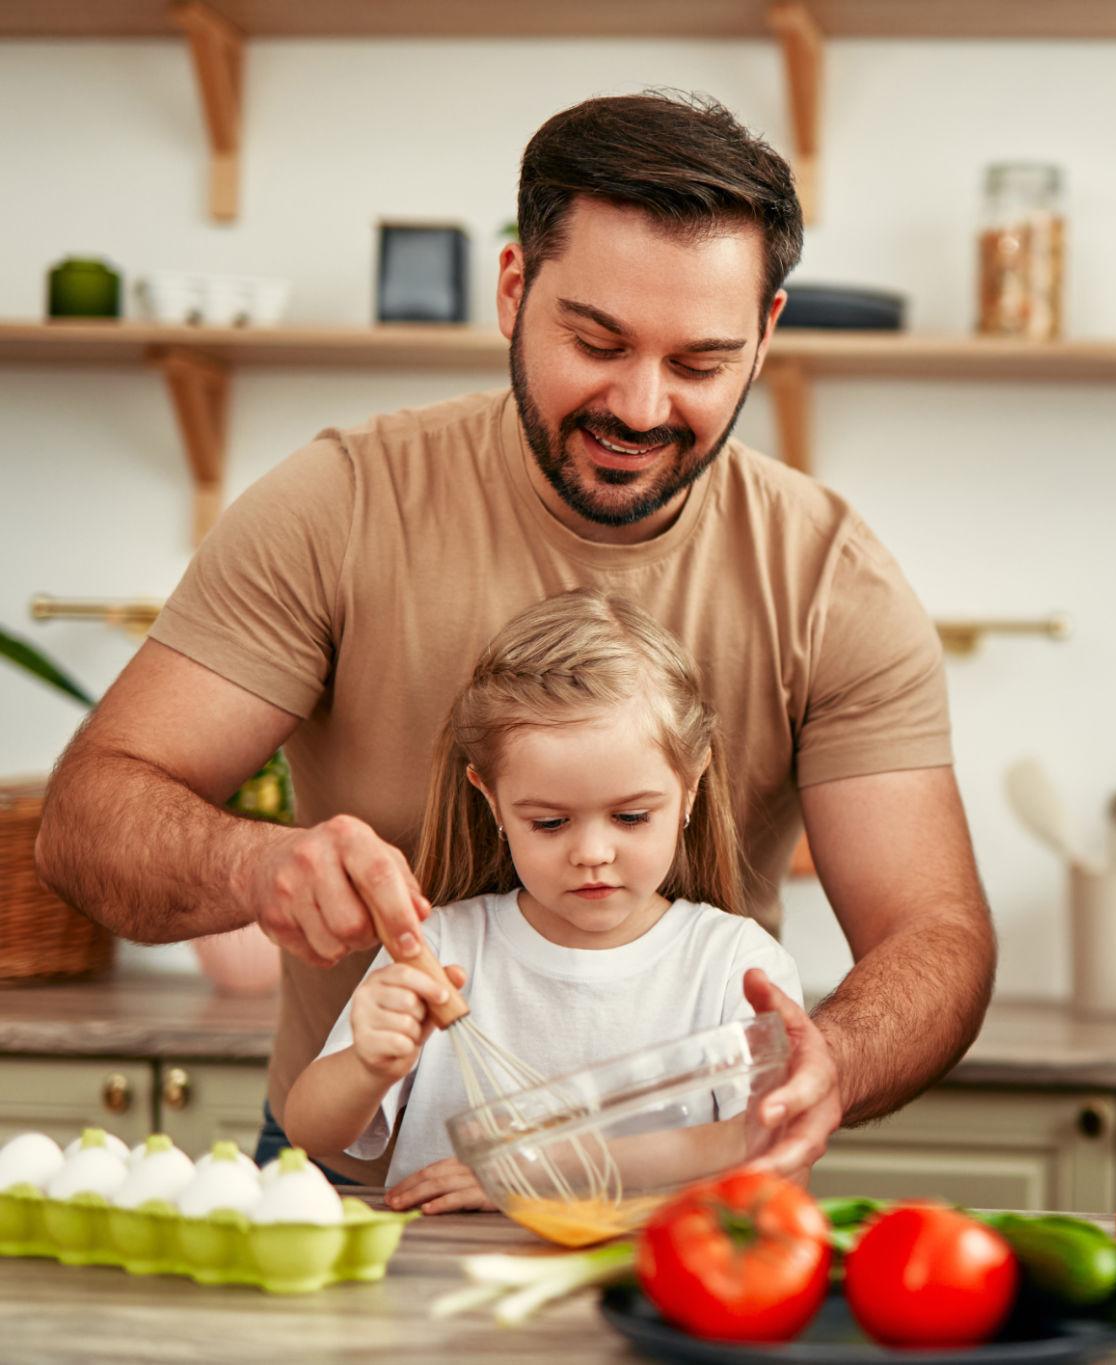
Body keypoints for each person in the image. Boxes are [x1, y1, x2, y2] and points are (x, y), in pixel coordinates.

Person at [36, 92, 996, 1187]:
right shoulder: (337, 506)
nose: (640, 405)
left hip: (675, 1202)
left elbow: (934, 933)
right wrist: (256, 866)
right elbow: (87, 820)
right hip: (357, 1188)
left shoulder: (830, 580)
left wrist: (834, 1059)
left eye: (699, 364)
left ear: (767, 332)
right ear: (512, 290)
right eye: (596, 341)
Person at [284, 591, 802, 1213]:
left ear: (690, 787)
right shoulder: (444, 949)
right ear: (493, 800)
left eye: (632, 816)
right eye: (550, 823)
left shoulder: (733, 965)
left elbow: (767, 1144)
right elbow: (312, 1132)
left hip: (650, 1285)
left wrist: (534, 1170)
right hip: (443, 1288)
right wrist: (368, 1063)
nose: (592, 853)